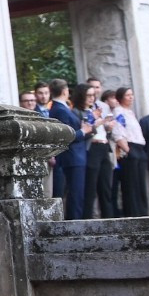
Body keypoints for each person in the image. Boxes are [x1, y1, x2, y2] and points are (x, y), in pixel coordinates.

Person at [47, 79, 90, 219]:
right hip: (72, 157)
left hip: (75, 156)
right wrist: (83, 131)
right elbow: (66, 136)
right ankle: (74, 222)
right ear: (65, 91)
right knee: (76, 193)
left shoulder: (60, 107)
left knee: (77, 193)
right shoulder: (60, 109)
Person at [107, 87, 149, 218]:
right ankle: (133, 212)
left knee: (140, 183)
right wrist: (128, 150)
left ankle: (142, 211)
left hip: (139, 147)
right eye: (127, 95)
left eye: (132, 95)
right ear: (120, 98)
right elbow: (118, 133)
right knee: (131, 184)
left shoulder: (130, 112)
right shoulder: (118, 112)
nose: (131, 97)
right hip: (129, 147)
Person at [82, 78, 118, 218]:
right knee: (91, 187)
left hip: (104, 145)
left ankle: (109, 218)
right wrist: (96, 121)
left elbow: (105, 128)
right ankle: (88, 219)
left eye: (96, 89)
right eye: (90, 92)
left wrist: (107, 127)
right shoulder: (82, 110)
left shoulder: (102, 106)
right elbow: (85, 129)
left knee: (106, 187)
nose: (94, 93)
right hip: (92, 147)